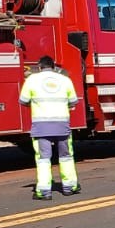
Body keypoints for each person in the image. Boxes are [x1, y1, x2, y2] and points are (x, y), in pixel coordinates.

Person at [18, 54, 80, 199]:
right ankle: (70, 187)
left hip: (41, 127)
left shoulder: (32, 80)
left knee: (43, 159)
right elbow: (73, 101)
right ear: (54, 67)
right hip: (62, 126)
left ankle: (44, 191)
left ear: (39, 67)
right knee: (66, 156)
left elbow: (23, 100)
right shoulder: (65, 80)